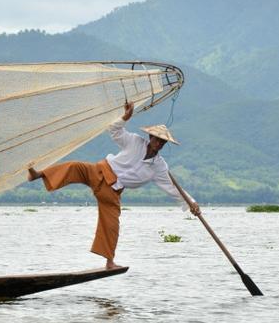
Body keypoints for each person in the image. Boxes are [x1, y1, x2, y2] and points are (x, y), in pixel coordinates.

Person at [27, 101, 200, 269]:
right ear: (150, 137)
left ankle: (109, 262)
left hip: (112, 191)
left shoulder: (159, 167)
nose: (159, 144)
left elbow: (172, 188)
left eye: (162, 142)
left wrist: (191, 202)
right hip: (100, 171)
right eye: (157, 140)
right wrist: (126, 117)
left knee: (111, 225)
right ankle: (38, 174)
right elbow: (114, 130)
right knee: (74, 167)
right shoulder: (134, 141)